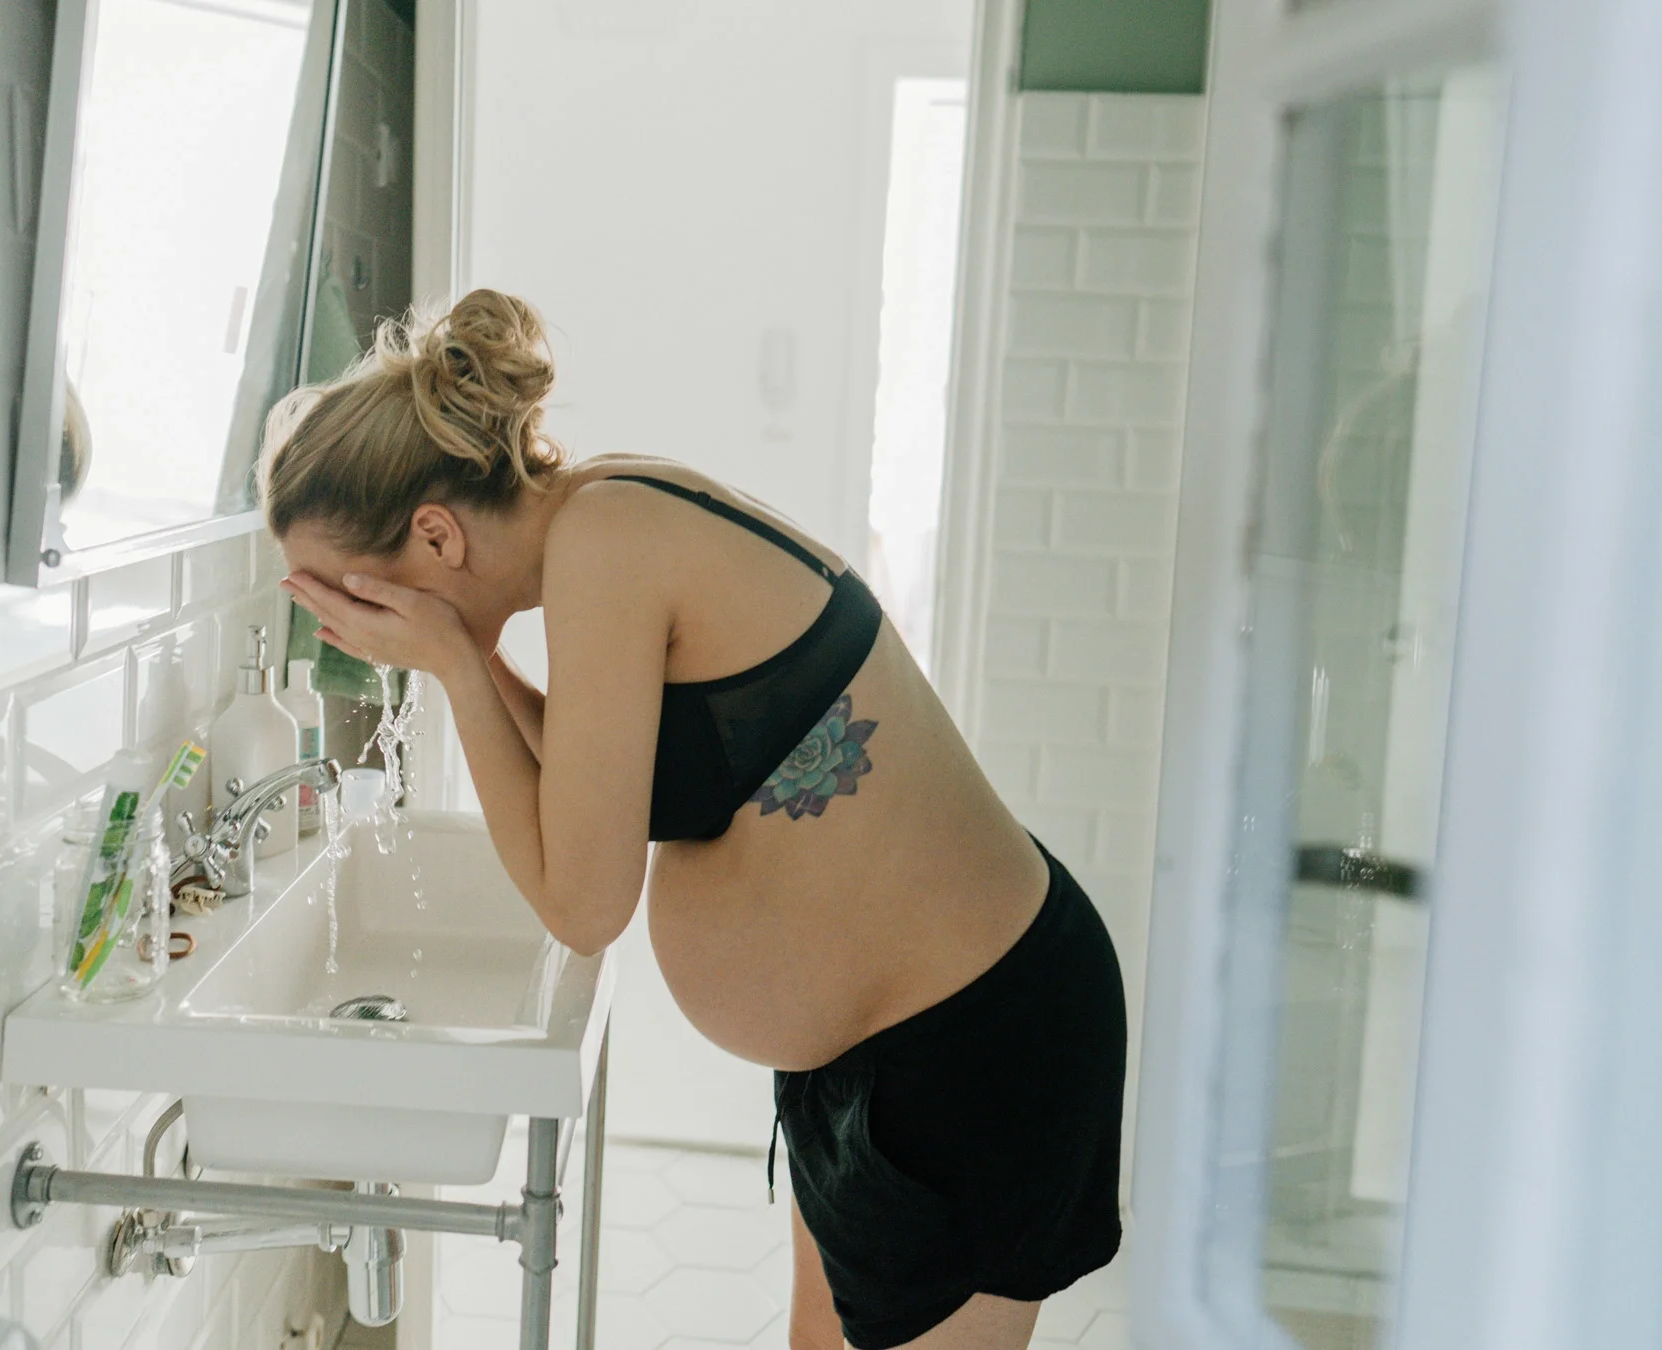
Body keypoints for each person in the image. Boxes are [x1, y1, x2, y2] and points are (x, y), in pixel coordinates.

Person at [267, 290, 1126, 1350]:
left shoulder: (604, 541)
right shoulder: (601, 513)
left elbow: (586, 904)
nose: (359, 631)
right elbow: (596, 782)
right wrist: (470, 658)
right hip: (879, 1045)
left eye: (356, 596)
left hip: (974, 1037)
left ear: (436, 533)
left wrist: (450, 661)